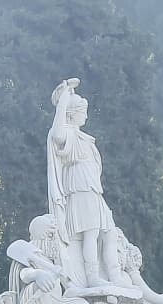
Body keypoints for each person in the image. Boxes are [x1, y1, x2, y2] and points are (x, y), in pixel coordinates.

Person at [46, 79, 115, 288]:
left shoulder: (83, 137)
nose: (86, 115)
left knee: (109, 231)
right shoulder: (67, 133)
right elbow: (57, 135)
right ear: (72, 113)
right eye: (82, 111)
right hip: (80, 188)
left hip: (92, 189)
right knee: (91, 233)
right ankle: (92, 277)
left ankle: (115, 275)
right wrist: (62, 103)